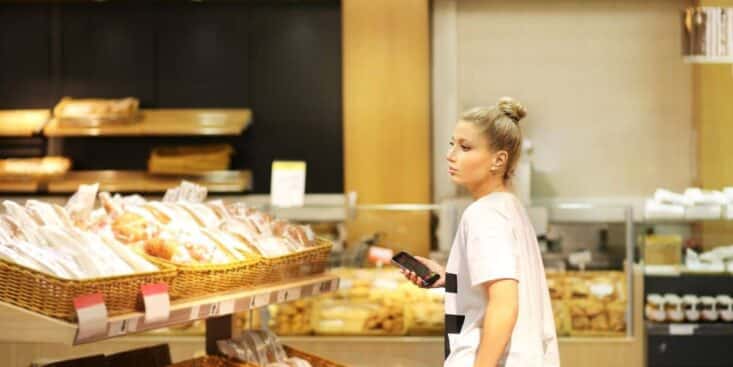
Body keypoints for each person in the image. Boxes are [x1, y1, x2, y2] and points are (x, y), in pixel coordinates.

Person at [401, 97, 560, 366]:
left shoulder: (484, 214)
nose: (451, 155)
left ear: (498, 160)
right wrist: (451, 278)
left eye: (465, 147)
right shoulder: (509, 206)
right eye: (452, 144)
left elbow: (504, 304)